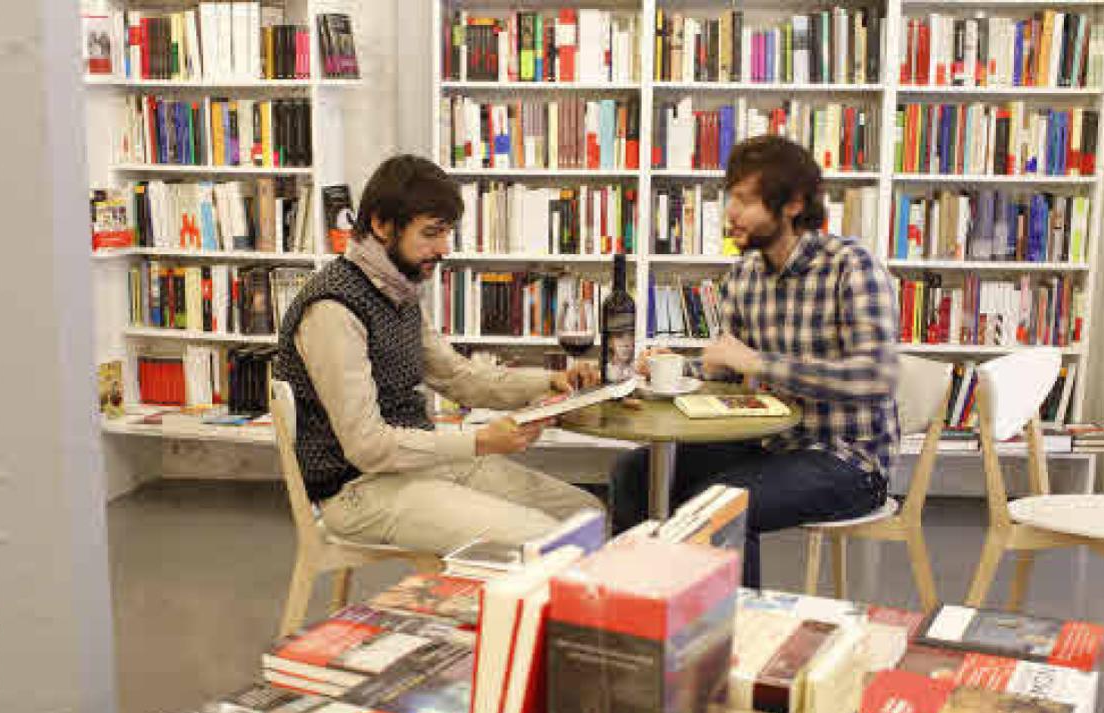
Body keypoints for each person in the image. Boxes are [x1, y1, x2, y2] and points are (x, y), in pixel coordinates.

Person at [610, 136, 899, 588]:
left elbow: (876, 377)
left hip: (848, 460)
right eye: (731, 198)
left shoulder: (851, 266)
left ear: (792, 203)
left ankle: (733, 639)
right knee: (633, 474)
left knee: (717, 503)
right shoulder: (744, 276)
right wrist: (674, 368)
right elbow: (725, 372)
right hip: (767, 443)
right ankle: (640, 610)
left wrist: (760, 363)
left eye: (744, 200)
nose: (730, 212)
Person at [274, 154, 602, 554]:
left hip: (416, 466)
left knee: (588, 514)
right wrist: (478, 441)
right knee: (545, 541)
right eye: (431, 233)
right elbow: (368, 446)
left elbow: (458, 377)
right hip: (357, 490)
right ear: (380, 224)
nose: (444, 248)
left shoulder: (398, 288)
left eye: (447, 233)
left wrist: (549, 380)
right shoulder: (332, 309)